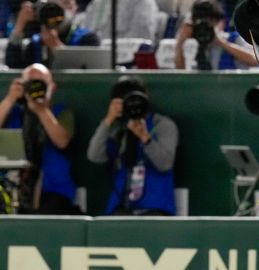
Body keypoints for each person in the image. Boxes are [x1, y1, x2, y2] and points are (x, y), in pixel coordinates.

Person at [87, 75, 178, 216]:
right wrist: (108, 120)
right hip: (121, 205)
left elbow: (165, 163)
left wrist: (145, 138)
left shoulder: (162, 125)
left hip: (155, 206)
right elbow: (95, 155)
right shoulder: (117, 129)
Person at [0, 63, 79, 214]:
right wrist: (10, 99)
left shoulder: (62, 113)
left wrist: (42, 111)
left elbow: (62, 142)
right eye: (30, 83)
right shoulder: (13, 113)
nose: (35, 89)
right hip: (12, 186)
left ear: (52, 87)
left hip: (52, 190)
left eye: (40, 84)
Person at [5, 0, 100, 68]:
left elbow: (86, 74)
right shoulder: (35, 42)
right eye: (54, 5)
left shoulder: (88, 39)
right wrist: (19, 25)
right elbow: (13, 67)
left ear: (75, 8)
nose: (60, 9)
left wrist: (56, 47)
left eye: (66, 3)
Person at [175, 0, 257, 70]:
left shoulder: (234, 39)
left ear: (221, 22)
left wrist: (221, 43)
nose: (205, 28)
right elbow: (181, 75)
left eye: (210, 22)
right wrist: (181, 42)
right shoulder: (191, 45)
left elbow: (254, 61)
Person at [82, 0, 159, 42]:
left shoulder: (143, 3)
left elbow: (141, 41)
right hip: (91, 59)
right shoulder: (96, 4)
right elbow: (84, 35)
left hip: (124, 63)